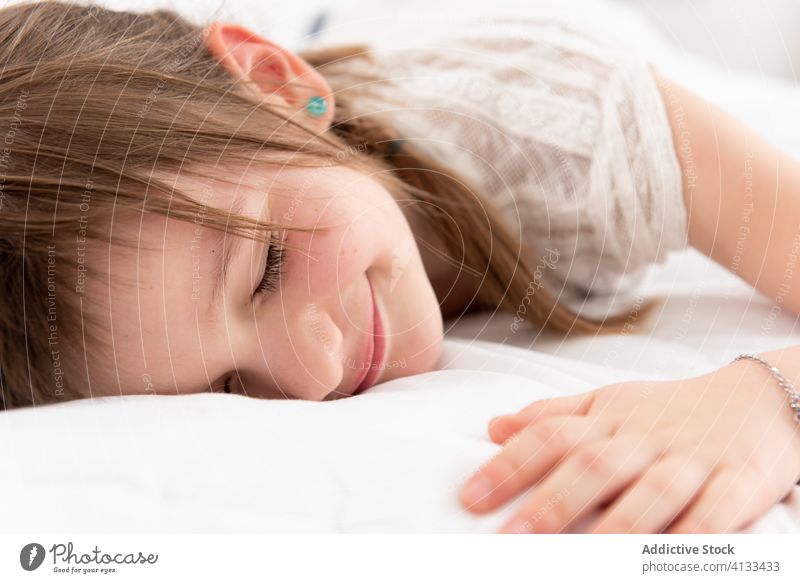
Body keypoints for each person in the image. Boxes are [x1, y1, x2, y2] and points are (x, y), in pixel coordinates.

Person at [0, 0, 798, 533]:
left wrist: (769, 395)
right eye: (226, 387)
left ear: (279, 86)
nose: (311, 374)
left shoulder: (563, 132)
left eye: (268, 268)